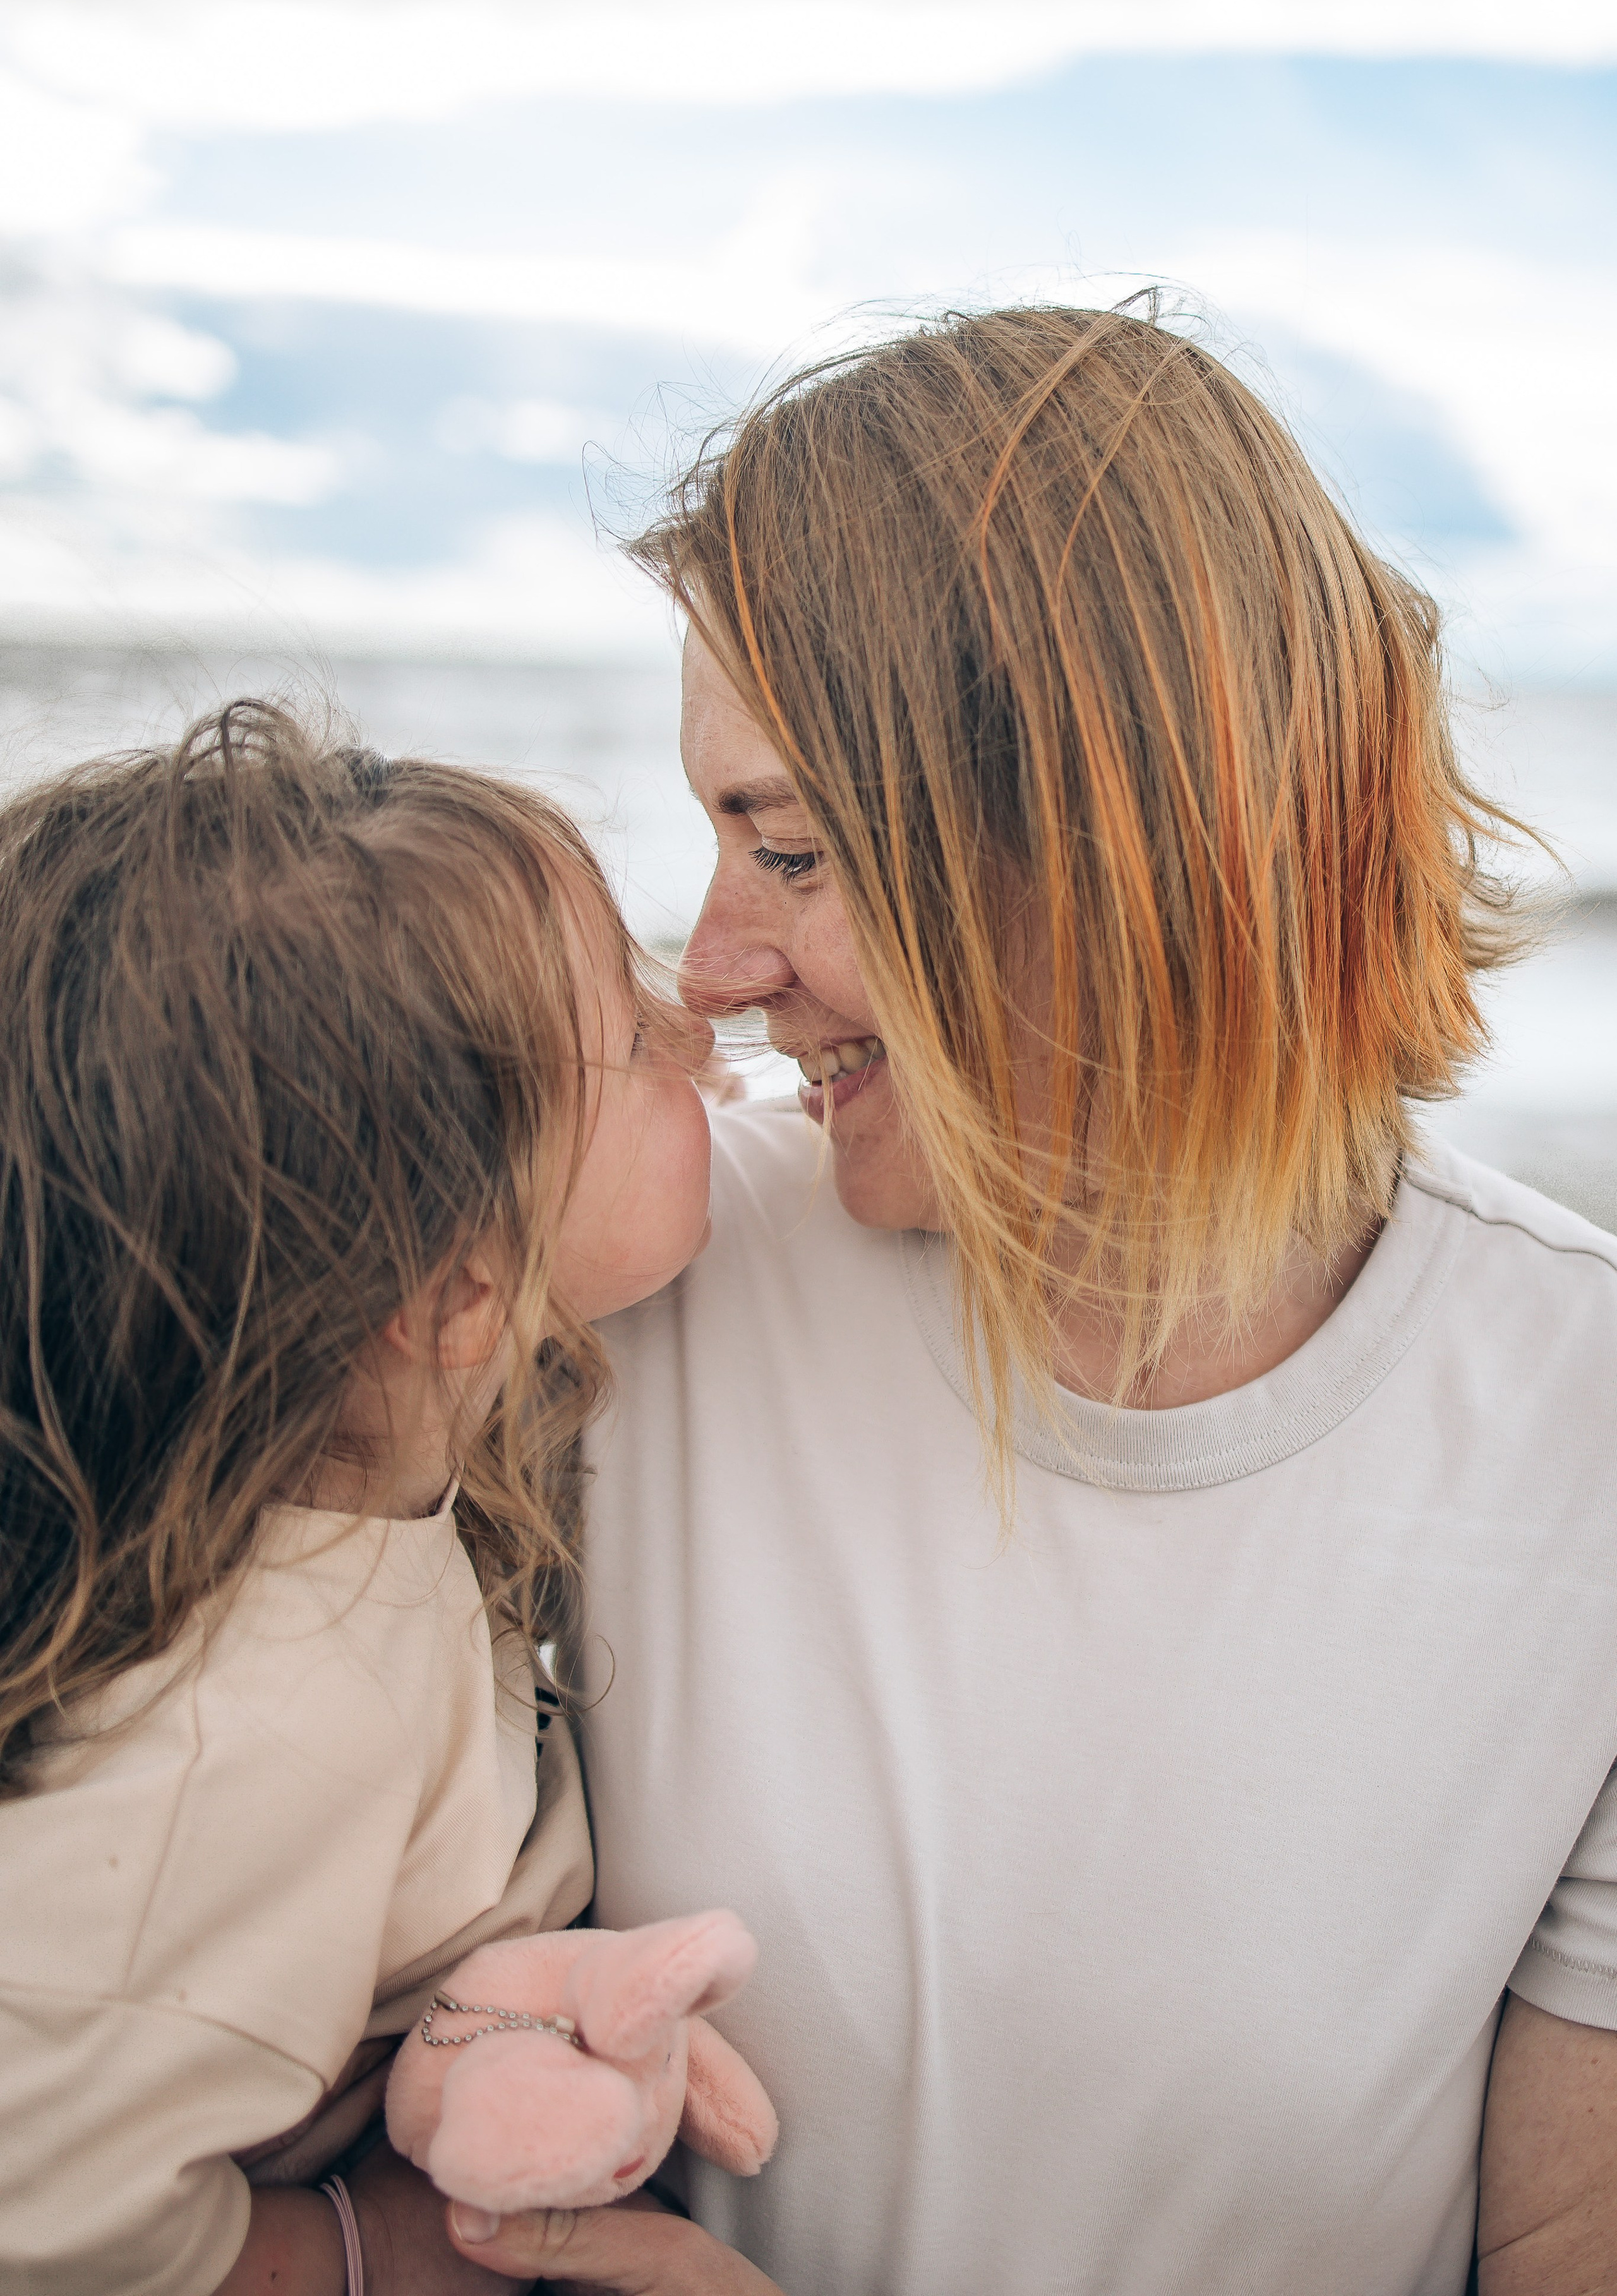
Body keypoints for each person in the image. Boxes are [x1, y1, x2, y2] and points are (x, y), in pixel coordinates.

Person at [534, 305, 1617, 2296]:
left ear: (1126, 841)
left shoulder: (1586, 1435)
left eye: (791, 847)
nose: (708, 965)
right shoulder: (623, 1302)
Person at [0, 701, 718, 2296]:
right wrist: (370, 2249)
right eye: (642, 1034)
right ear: (453, 1297)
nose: (709, 1021)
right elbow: (43, 2215)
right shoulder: (254, 1738)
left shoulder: (371, 1470)